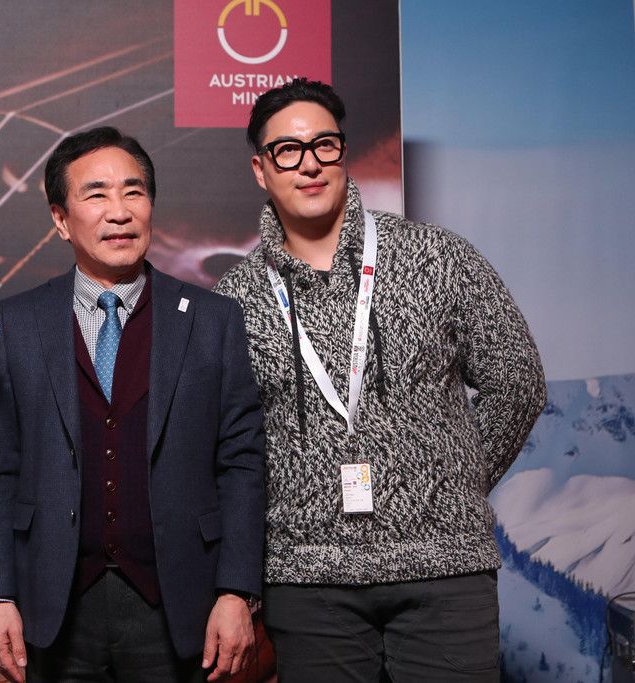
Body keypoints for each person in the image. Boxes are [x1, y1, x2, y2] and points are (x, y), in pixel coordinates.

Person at [214, 78, 547, 682]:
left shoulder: (438, 256)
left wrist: (452, 485)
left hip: (443, 567)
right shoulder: (235, 297)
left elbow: (517, 381)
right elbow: (231, 445)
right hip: (309, 580)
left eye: (325, 145)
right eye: (287, 151)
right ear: (261, 170)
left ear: (343, 152)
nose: (309, 164)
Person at [0, 126, 266, 683]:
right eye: (97, 194)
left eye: (134, 192)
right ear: (61, 219)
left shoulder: (213, 320)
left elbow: (242, 465)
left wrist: (236, 591)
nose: (120, 212)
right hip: (54, 603)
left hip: (179, 602)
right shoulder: (18, 321)